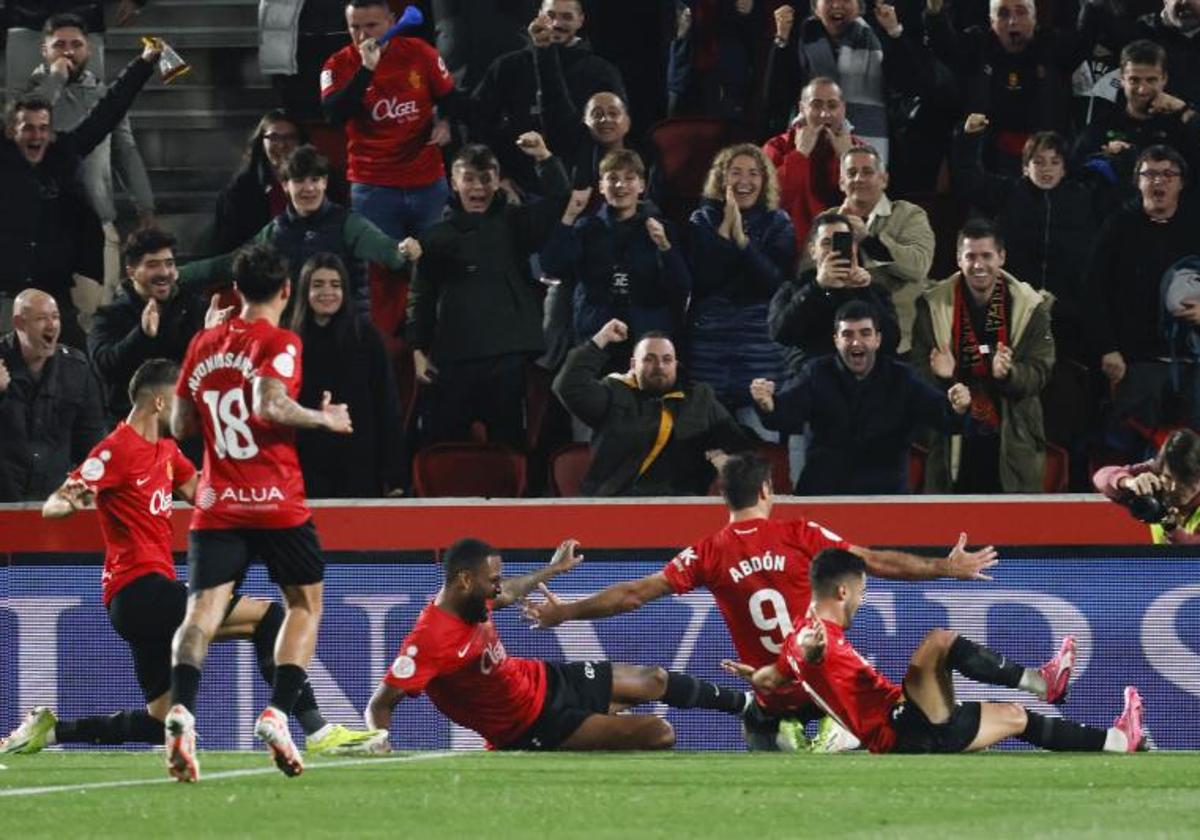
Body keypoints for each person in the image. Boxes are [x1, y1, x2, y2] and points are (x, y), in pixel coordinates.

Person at [0, 359, 372, 757]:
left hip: (140, 601)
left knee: (160, 722)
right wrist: (69, 501)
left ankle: (49, 731)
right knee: (271, 618)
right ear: (160, 403)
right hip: (139, 589)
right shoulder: (116, 450)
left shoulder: (166, 451)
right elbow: (56, 504)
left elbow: (205, 496)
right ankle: (316, 731)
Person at [524, 452, 998, 750]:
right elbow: (873, 562)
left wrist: (566, 611)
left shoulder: (707, 553)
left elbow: (632, 596)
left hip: (771, 701)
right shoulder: (801, 534)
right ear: (768, 491)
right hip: (829, 697)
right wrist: (944, 567)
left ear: (722, 498)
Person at [164, 244, 354, 782]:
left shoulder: (203, 343)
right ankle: (276, 712)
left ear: (236, 289)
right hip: (275, 502)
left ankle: (181, 709)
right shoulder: (281, 340)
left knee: (200, 614)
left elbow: (180, 426)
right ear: (288, 290)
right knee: (304, 605)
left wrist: (208, 355)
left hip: (217, 504)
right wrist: (324, 419)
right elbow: (270, 405)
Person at [723, 548, 1149, 754]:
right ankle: (1044, 682)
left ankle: (1119, 740)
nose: (862, 599)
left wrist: (753, 673)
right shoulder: (812, 637)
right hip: (898, 726)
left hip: (913, 736)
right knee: (939, 642)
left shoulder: (797, 638)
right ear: (841, 590)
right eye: (861, 591)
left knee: (1017, 718)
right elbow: (809, 653)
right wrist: (811, 652)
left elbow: (771, 679)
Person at [365, 537, 763, 751]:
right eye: (492, 580)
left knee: (654, 678)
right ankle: (590, 738)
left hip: (544, 680)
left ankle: (751, 709)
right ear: (464, 580)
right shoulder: (429, 640)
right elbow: (380, 703)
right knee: (660, 733)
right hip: (531, 726)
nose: (498, 587)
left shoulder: (474, 598)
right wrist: (380, 743)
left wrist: (553, 569)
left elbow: (512, 590)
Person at [408, 135, 569, 449]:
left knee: (509, 447)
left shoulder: (517, 225)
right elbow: (420, 298)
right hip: (452, 360)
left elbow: (559, 199)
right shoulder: (433, 238)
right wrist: (416, 350)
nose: (478, 188)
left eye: (485, 178)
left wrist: (545, 158)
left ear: (498, 181)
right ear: (453, 182)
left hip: (506, 359)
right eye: (468, 179)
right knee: (446, 450)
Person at [1, 38, 160, 346]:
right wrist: (58, 76)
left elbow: (108, 111)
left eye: (43, 128)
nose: (37, 136)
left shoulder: (63, 154)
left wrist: (143, 65)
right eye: (28, 129)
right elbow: (36, 102)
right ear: (11, 132)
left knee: (77, 360)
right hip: (7, 294)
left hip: (57, 292)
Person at [751, 300, 972, 494]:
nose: (856, 342)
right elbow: (784, 414)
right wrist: (768, 405)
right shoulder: (816, 373)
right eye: (848, 334)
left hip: (887, 498)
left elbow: (945, 418)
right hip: (825, 496)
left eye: (865, 333)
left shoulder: (902, 377)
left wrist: (958, 406)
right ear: (836, 340)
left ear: (877, 339)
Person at [187, 145, 420, 321]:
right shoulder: (276, 231)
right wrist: (179, 275)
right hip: (295, 336)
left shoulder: (349, 223)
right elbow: (233, 263)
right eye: (299, 180)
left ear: (325, 183)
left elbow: (387, 250)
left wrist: (403, 251)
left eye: (315, 179)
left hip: (347, 336)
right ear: (285, 185)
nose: (309, 188)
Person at [911, 220, 1054, 493]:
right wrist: (942, 379)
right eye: (970, 256)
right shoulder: (932, 305)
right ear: (958, 259)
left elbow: (1041, 371)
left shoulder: (1031, 306)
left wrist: (1010, 373)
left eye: (986, 256)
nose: (978, 265)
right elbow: (916, 373)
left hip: (1013, 433)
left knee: (1011, 530)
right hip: (952, 436)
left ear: (1001, 257)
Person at [25, 13, 156, 301]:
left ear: (89, 49)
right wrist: (57, 76)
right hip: (41, 227)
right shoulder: (26, 95)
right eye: (59, 45)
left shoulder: (102, 94)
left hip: (97, 220)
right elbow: (35, 112)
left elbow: (126, 150)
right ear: (44, 50)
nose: (68, 52)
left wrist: (145, 205)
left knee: (96, 311)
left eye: (76, 44)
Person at [953, 118, 1098, 366]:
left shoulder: (1082, 199)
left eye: (1054, 162)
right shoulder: (1009, 192)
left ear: (1064, 168)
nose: (1046, 169)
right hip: (1012, 310)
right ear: (1025, 167)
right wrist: (969, 138)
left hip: (1068, 313)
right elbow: (969, 180)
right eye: (1038, 162)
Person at [552, 318, 749, 495]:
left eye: (667, 359)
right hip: (615, 503)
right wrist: (600, 340)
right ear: (632, 364)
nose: (659, 366)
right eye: (649, 359)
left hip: (681, 505)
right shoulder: (614, 391)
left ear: (675, 364)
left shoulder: (700, 397)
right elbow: (569, 386)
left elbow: (738, 445)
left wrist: (724, 459)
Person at [1087, 145, 1200, 450]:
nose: (1158, 182)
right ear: (1137, 181)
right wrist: (1108, 349)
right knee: (1128, 451)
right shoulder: (1118, 227)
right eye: (1149, 174)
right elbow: (1094, 290)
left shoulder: (1195, 225)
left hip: (1193, 362)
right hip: (1136, 363)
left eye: (1167, 174)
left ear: (1181, 183)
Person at [321, 0, 460, 240]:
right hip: (373, 186)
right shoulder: (337, 65)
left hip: (426, 181)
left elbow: (450, 98)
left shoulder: (420, 53)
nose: (363, 35)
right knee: (380, 268)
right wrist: (366, 70)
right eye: (355, 27)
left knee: (435, 263)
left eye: (372, 25)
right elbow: (334, 114)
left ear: (392, 23)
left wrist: (444, 121)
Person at [539, 149, 691, 362]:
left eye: (629, 178)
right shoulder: (586, 227)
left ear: (641, 185)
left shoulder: (662, 229)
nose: (620, 186)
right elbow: (552, 265)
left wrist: (665, 246)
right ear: (601, 186)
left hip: (645, 339)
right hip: (595, 334)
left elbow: (681, 287)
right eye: (613, 179)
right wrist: (570, 215)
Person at [687, 143, 795, 435]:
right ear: (721, 179)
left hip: (760, 345)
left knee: (762, 440)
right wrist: (724, 232)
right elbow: (705, 280)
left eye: (753, 173)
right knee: (703, 444)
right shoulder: (702, 220)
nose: (744, 181)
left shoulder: (778, 222)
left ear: (765, 180)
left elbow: (773, 283)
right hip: (709, 345)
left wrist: (742, 242)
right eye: (735, 172)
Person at [470, 0, 627, 195]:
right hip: (517, 190)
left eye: (567, 17)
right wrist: (498, 178)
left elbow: (615, 134)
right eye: (551, 16)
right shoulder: (507, 67)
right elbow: (478, 123)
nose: (556, 23)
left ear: (581, 20)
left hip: (581, 190)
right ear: (538, 16)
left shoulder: (602, 72)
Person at [289, 253, 405, 497]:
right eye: (318, 285)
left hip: (358, 463)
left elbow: (386, 405)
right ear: (303, 290)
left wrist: (394, 476)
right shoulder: (289, 340)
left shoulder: (367, 336)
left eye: (335, 285)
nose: (327, 292)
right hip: (303, 464)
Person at [922, 0, 1085, 174]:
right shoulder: (978, 43)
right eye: (1003, 14)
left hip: (1045, 152)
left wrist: (1092, 6)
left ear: (1034, 18)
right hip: (988, 155)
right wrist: (935, 11)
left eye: (1021, 12)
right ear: (992, 22)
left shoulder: (1052, 44)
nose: (1012, 21)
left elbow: (1084, 42)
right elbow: (946, 47)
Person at [765, 1, 922, 160]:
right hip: (810, 146)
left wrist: (894, 32)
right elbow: (776, 94)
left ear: (860, 6)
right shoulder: (800, 35)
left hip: (870, 147)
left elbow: (908, 84)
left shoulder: (879, 33)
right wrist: (782, 38)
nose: (837, 5)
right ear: (815, 7)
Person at [88, 227, 207, 424]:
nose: (164, 272)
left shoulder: (194, 307)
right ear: (131, 271)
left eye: (169, 264)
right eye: (152, 265)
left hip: (187, 425)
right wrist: (141, 335)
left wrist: (211, 338)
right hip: (133, 427)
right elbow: (104, 367)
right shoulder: (109, 316)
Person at [0, 289, 106, 502]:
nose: (51, 325)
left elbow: (91, 443)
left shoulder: (77, 368)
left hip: (55, 503)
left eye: (55, 317)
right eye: (41, 318)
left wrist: (87, 494)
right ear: (19, 323)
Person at [768, 211, 900, 375]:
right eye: (826, 242)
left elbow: (891, 341)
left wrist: (864, 292)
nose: (834, 250)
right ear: (812, 251)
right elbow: (781, 333)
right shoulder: (794, 287)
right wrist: (817, 287)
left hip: (866, 381)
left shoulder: (874, 290)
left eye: (842, 242)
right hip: (812, 381)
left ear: (854, 247)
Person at [834, 145, 933, 356]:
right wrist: (839, 236)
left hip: (900, 341)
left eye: (868, 172)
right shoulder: (828, 222)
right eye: (851, 173)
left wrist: (869, 240)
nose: (859, 178)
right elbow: (809, 276)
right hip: (842, 342)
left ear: (884, 179)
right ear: (842, 182)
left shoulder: (910, 215)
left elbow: (918, 267)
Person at [1072, 40, 1200, 196]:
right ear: (1122, 79)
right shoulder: (1103, 124)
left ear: (1164, 79)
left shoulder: (1181, 124)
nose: (1142, 89)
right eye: (1134, 80)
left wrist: (1184, 110)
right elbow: (1075, 171)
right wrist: (1103, 160)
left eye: (1151, 80)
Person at [763, 77, 864, 251]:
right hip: (786, 248)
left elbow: (868, 208)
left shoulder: (859, 149)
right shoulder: (776, 146)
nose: (825, 114)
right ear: (802, 108)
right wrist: (800, 154)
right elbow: (771, 201)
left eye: (832, 106)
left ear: (843, 109)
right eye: (816, 105)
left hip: (841, 249)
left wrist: (847, 159)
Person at [210, 110, 305, 256]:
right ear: (261, 142)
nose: (282, 145)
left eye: (290, 137)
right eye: (273, 137)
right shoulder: (239, 191)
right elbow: (228, 247)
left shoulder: (321, 183)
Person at [1094, 428, 1200, 544]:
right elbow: (1101, 477)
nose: (1173, 488)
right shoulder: (1155, 472)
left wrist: (1170, 525)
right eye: (1168, 478)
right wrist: (1129, 483)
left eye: (1185, 481)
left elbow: (1192, 551)